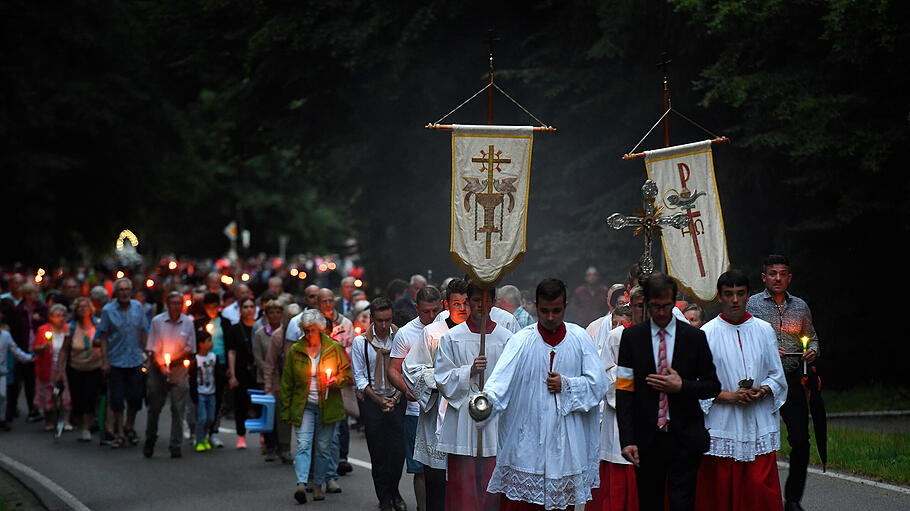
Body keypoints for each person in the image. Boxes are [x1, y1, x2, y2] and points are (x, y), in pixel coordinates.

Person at [480, 278, 608, 510]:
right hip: (526, 443)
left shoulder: (579, 338)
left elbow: (598, 385)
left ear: (565, 306)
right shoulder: (521, 340)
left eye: (556, 311)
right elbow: (500, 382)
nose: (550, 317)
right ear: (536, 306)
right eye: (545, 311)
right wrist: (486, 402)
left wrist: (567, 385)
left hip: (564, 445)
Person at [615, 273, 721, 511]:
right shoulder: (632, 337)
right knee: (649, 503)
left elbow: (712, 385)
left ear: (674, 302)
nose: (661, 313)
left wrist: (682, 386)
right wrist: (627, 439)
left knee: (682, 503)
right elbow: (624, 390)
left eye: (666, 306)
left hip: (683, 436)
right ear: (646, 303)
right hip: (647, 438)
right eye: (654, 307)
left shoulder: (694, 337)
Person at [695, 270, 787, 511]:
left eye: (740, 294)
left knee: (759, 489)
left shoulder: (764, 330)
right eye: (728, 294)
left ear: (748, 295)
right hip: (722, 422)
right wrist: (728, 396)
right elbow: (697, 383)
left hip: (756, 421)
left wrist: (764, 390)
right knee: (720, 490)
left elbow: (777, 376)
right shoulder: (706, 333)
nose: (734, 300)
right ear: (719, 297)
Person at [746, 255, 819, 511]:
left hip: (791, 378)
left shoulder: (800, 306)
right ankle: (755, 494)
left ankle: (794, 498)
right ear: (764, 277)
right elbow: (743, 337)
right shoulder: (752, 304)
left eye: (783, 273)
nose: (778, 278)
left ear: (789, 277)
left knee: (800, 440)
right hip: (762, 379)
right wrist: (767, 350)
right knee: (757, 438)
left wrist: (812, 351)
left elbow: (812, 338)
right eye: (773, 273)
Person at [435, 282, 512, 511]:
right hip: (463, 421)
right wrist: (469, 371)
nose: (482, 305)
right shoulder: (452, 338)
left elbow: (512, 380)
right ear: (469, 301)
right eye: (477, 300)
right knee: (463, 485)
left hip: (494, 420)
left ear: (494, 303)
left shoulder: (506, 338)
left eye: (488, 300)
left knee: (492, 483)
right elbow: (442, 378)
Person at [403, 278, 469, 511]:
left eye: (466, 303)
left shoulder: (479, 334)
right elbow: (412, 368)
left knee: (465, 484)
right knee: (437, 484)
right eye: (456, 303)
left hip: (469, 417)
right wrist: (441, 380)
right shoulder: (433, 333)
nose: (462, 308)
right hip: (438, 417)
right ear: (446, 304)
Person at [281, 309, 352, 504]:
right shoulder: (296, 350)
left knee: (322, 447)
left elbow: (347, 375)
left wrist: (335, 380)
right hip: (304, 406)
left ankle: (319, 484)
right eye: (306, 330)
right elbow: (287, 382)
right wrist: (285, 410)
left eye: (312, 330)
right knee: (303, 444)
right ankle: (301, 484)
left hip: (328, 405)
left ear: (320, 329)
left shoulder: (333, 348)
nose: (309, 334)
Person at [388, 286, 444, 511]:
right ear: (416, 308)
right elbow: (394, 370)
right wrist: (408, 389)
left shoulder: (449, 328)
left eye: (434, 311)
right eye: (425, 312)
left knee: (443, 468)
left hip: (445, 410)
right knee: (420, 467)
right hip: (415, 411)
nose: (430, 317)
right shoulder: (406, 333)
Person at [589, 287, 645, 511]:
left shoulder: (663, 336)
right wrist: (631, 379)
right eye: (639, 305)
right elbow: (605, 375)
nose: (644, 310)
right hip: (619, 420)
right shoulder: (616, 336)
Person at [352, 297, 407, 511]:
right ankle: (384, 497)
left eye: (388, 320)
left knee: (398, 453)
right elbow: (359, 378)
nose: (384, 326)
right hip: (373, 402)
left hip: (397, 399)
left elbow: (406, 372)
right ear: (372, 319)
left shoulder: (400, 337)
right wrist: (378, 399)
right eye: (379, 321)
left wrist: (395, 398)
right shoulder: (361, 342)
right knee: (378, 453)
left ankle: (394, 491)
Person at [143, 291, 196, 458]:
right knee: (155, 406)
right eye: (173, 303)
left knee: (178, 407)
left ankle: (176, 444)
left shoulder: (188, 322)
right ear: (167, 304)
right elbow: (153, 347)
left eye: (179, 303)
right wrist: (161, 365)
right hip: (158, 367)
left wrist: (174, 360)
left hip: (178, 367)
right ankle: (150, 438)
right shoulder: (157, 322)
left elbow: (190, 348)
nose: (176, 307)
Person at [98, 278, 149, 448]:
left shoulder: (138, 307)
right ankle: (119, 432)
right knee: (117, 399)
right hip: (116, 360)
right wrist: (104, 360)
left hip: (134, 359)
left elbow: (143, 331)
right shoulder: (108, 310)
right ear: (115, 292)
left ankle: (129, 425)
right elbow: (103, 337)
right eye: (121, 290)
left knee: (135, 397)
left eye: (127, 289)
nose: (124, 293)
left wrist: (147, 353)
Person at [55, 297, 102, 442]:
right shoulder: (72, 326)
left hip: (94, 366)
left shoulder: (97, 324)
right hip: (75, 367)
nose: (83, 310)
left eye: (86, 307)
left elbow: (105, 342)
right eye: (80, 307)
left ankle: (87, 427)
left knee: (90, 397)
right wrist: (60, 369)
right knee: (78, 398)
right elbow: (64, 349)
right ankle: (81, 424)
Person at [264, 302, 302, 463]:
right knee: (283, 418)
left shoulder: (306, 334)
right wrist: (268, 386)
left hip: (302, 382)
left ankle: (303, 450)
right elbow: (270, 363)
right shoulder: (278, 336)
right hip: (282, 382)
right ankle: (284, 447)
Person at [195, 292, 230, 448]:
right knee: (203, 396)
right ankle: (200, 432)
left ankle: (213, 431)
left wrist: (229, 366)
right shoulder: (199, 323)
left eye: (215, 307)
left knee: (218, 397)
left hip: (220, 363)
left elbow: (230, 346)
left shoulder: (225, 322)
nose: (212, 310)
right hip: (203, 363)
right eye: (209, 307)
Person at [9, 282, 47, 423]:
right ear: (27, 295)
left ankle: (37, 407)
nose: (37, 295)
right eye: (34, 293)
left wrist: (40, 320)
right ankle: (22, 408)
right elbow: (14, 328)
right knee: (24, 380)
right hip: (23, 347)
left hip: (38, 346)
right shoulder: (18, 309)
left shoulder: (41, 308)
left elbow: (47, 323)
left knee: (36, 380)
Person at [32, 304, 72, 432]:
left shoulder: (67, 329)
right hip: (47, 367)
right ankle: (49, 420)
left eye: (63, 316)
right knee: (47, 394)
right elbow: (35, 348)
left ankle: (65, 420)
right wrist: (43, 347)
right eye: (57, 316)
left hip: (64, 368)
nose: (60, 318)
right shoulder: (43, 330)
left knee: (65, 395)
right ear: (51, 317)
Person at [253, 298, 283, 460]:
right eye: (272, 312)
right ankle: (269, 445)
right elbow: (258, 357)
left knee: (280, 413)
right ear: (266, 315)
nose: (275, 315)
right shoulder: (260, 334)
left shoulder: (286, 333)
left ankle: (281, 445)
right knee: (268, 413)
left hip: (282, 377)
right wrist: (269, 372)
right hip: (265, 378)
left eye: (278, 312)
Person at [226, 297, 258, 449]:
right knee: (241, 404)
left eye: (252, 306)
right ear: (240, 310)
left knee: (259, 404)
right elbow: (231, 352)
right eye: (245, 307)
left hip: (257, 370)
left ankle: (264, 436)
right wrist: (232, 374)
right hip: (241, 369)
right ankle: (241, 435)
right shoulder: (235, 329)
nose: (249, 310)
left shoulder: (259, 327)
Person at [0, 317, 34, 431]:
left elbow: (15, 349)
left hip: (2, 371)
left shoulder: (5, 335)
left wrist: (28, 358)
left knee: (3, 396)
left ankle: (2, 419)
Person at [189, 327, 217, 452]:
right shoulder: (195, 359)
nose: (211, 343)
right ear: (200, 344)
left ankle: (204, 436)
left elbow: (218, 373)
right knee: (202, 418)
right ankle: (199, 440)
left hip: (212, 391)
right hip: (200, 392)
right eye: (208, 341)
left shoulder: (214, 357)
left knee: (210, 418)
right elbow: (192, 377)